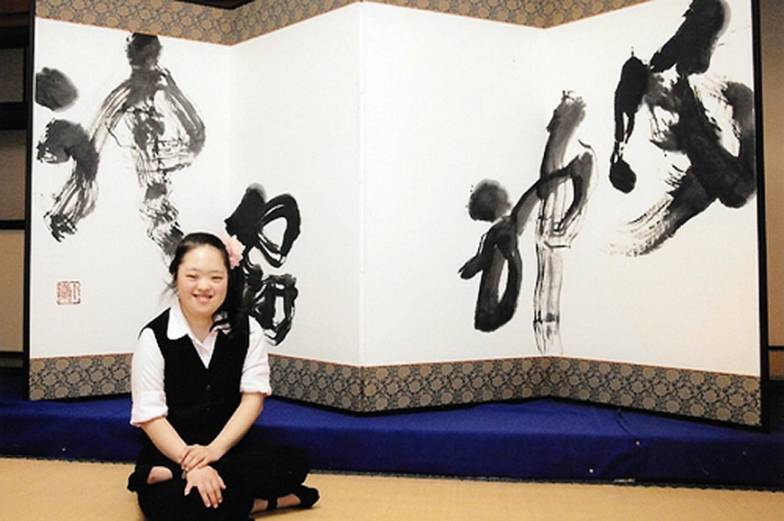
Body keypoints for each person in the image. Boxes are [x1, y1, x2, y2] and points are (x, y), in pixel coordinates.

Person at [127, 232, 319, 520]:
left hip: (230, 452)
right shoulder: (153, 337)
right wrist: (189, 462)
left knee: (294, 462)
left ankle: (170, 480)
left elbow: (252, 399)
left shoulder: (248, 329)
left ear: (228, 279)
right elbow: (150, 416)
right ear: (175, 275)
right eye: (193, 276)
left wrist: (214, 453)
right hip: (172, 451)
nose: (204, 287)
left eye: (216, 278)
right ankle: (265, 503)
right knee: (167, 507)